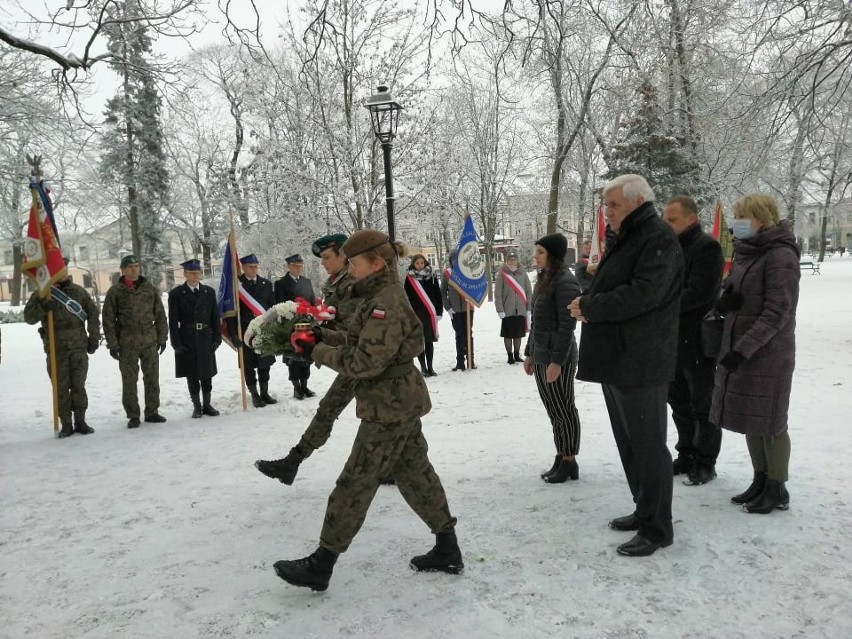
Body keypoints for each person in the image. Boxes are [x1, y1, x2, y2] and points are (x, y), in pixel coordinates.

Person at [271, 229, 462, 592]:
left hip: (388, 406)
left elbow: (363, 362)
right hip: (395, 401)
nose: (351, 269)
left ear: (376, 263)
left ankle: (322, 563)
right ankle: (447, 547)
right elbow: (357, 339)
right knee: (415, 474)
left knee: (354, 482)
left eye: (355, 263)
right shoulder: (377, 296)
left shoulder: (385, 303)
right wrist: (318, 337)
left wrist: (314, 352)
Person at [569, 174, 684, 557]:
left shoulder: (657, 238)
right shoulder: (628, 237)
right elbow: (611, 283)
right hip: (619, 358)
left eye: (613, 204)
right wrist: (589, 297)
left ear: (636, 203)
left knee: (649, 446)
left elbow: (643, 294)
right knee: (630, 443)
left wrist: (591, 306)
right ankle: (643, 508)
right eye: (606, 204)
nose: (607, 211)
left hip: (642, 360)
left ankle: (657, 528)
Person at [710, 194, 799, 514]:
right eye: (735, 215)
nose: (736, 222)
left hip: (768, 354)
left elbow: (777, 313)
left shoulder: (780, 256)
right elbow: (737, 293)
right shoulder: (749, 253)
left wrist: (742, 350)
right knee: (751, 417)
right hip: (741, 349)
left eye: (742, 216)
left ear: (761, 218)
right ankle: (760, 480)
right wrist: (724, 303)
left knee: (771, 421)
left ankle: (777, 487)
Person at [255, 232, 359, 481]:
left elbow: (353, 329)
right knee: (395, 421)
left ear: (343, 256)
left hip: (361, 358)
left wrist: (318, 336)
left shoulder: (354, 283)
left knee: (335, 409)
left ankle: (293, 461)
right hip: (353, 357)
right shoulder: (335, 283)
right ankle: (293, 461)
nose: (322, 262)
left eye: (326, 257)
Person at [662, 196, 724, 485]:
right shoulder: (669, 248)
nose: (666, 224)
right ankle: (686, 453)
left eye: (672, 219)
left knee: (702, 404)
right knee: (678, 403)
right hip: (671, 340)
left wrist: (659, 302)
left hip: (697, 339)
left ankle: (705, 461)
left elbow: (700, 293)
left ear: (691, 219)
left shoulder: (707, 247)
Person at [523, 234, 583, 483]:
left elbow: (566, 328)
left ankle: (569, 460)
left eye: (540, 252)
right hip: (541, 355)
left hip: (558, 358)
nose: (534, 256)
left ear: (553, 256)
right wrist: (529, 353)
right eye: (535, 251)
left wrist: (556, 362)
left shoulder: (565, 282)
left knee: (563, 409)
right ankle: (561, 455)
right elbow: (537, 323)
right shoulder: (545, 279)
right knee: (554, 410)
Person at [24, 265, 100, 438]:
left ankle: (80, 421)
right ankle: (66, 423)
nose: (61, 273)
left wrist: (94, 337)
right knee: (60, 388)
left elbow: (93, 313)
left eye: (63, 269)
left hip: (78, 347)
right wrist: (43, 306)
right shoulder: (43, 292)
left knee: (78, 386)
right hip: (55, 348)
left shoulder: (79, 292)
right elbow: (28, 318)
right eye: (57, 269)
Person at [102, 255, 168, 428]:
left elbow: (160, 315)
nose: (134, 269)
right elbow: (108, 319)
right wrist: (113, 344)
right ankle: (133, 415)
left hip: (149, 340)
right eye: (130, 266)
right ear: (123, 270)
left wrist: (162, 338)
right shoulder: (115, 292)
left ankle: (152, 411)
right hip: (127, 343)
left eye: (136, 266)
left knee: (152, 378)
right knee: (129, 381)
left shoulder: (149, 289)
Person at [168, 259, 222, 419]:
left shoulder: (208, 292)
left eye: (197, 272)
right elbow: (172, 321)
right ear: (185, 274)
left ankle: (207, 404)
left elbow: (215, 317)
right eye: (191, 273)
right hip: (188, 338)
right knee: (192, 373)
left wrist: (217, 338)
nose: (195, 275)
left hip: (206, 337)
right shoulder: (177, 294)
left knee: (207, 373)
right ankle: (197, 406)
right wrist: (176, 342)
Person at [226, 254, 277, 408]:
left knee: (264, 362)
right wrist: (233, 333)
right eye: (250, 267)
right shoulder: (236, 286)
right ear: (243, 267)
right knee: (248, 364)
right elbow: (231, 312)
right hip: (245, 329)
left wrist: (275, 327)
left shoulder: (266, 284)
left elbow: (272, 307)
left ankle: (264, 393)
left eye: (256, 266)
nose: (254, 269)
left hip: (264, 329)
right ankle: (254, 395)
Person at [274, 253, 316, 399]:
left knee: (306, 357)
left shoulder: (307, 282)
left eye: (300, 266)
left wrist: (313, 316)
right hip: (290, 327)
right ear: (289, 266)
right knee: (293, 358)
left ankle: (305, 386)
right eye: (296, 266)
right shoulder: (281, 283)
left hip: (306, 324)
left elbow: (312, 301)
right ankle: (296, 387)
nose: (299, 268)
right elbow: (278, 306)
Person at [404, 253, 443, 376]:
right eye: (417, 263)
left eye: (422, 263)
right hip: (417, 314)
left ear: (425, 263)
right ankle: (423, 367)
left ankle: (430, 367)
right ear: (413, 265)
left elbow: (438, 293)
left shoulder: (432, 276)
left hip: (429, 314)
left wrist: (439, 311)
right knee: (420, 341)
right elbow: (407, 297)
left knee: (429, 341)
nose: (420, 265)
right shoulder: (410, 278)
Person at [495, 251, 532, 365]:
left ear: (517, 260)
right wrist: (500, 309)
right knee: (508, 334)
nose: (512, 261)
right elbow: (498, 293)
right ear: (507, 261)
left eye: (514, 259)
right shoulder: (502, 274)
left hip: (520, 309)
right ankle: (510, 356)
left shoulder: (522, 273)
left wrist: (529, 307)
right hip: (507, 310)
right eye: (510, 260)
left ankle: (517, 355)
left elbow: (528, 291)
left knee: (518, 334)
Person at [441, 250, 474, 371]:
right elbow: (443, 293)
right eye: (453, 259)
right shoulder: (447, 274)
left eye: (457, 259)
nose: (455, 261)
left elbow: (474, 287)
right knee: (459, 335)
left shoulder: (468, 272)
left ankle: (471, 359)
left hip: (468, 308)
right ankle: (460, 362)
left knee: (468, 334)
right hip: (454, 310)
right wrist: (448, 308)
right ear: (451, 261)